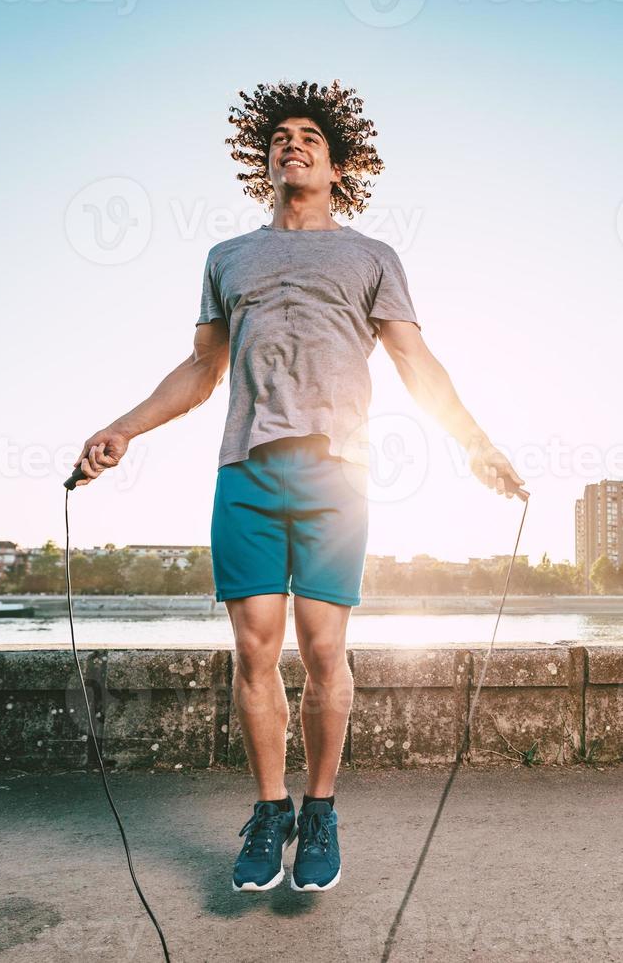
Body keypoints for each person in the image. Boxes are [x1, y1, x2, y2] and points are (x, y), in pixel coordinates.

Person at [71, 79, 526, 895]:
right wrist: (123, 428)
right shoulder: (227, 258)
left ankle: (320, 811)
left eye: (310, 136)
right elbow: (203, 370)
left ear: (338, 163)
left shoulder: (371, 257)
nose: (293, 144)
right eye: (280, 136)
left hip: (337, 475)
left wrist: (475, 446)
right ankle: (269, 809)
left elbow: (417, 363)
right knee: (252, 651)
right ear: (264, 158)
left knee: (323, 652)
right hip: (245, 470)